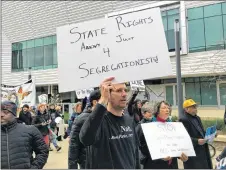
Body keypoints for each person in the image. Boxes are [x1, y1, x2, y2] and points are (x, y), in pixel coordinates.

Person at [79, 77, 140, 169]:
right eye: (119, 91)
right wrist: (103, 99)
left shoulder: (129, 120)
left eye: (125, 90)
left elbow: (135, 152)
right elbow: (85, 139)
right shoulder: (98, 121)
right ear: (108, 94)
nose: (124, 94)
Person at [136, 100, 188, 169]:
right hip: (154, 165)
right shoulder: (147, 126)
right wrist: (159, 155)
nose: (167, 110)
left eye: (168, 108)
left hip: (172, 166)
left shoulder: (173, 126)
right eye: (164, 108)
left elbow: (176, 145)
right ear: (157, 110)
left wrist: (181, 155)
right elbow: (141, 147)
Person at [1, 101, 49, 169]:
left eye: (5, 112)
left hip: (35, 129)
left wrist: (34, 167)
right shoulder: (23, 114)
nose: (1, 114)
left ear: (14, 114)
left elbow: (43, 151)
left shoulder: (31, 130)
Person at [68, 90, 101, 169]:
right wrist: (72, 167)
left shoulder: (107, 116)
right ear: (95, 102)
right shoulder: (81, 119)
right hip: (87, 162)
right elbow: (73, 146)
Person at [179, 99, 213, 169]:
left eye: (195, 107)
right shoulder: (183, 120)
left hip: (203, 150)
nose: (195, 109)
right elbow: (183, 138)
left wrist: (211, 134)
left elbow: (202, 132)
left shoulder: (197, 118)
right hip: (193, 153)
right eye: (193, 107)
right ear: (186, 109)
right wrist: (197, 141)